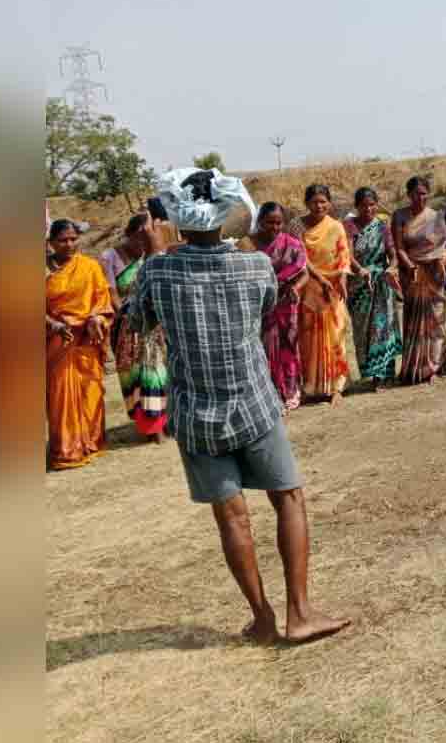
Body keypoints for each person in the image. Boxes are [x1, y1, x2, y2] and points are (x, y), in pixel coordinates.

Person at [132, 167, 349, 645]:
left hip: (196, 414)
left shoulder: (158, 270)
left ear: (176, 218)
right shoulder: (255, 266)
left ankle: (263, 619)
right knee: (288, 498)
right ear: (225, 214)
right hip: (254, 403)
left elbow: (138, 322)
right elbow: (266, 308)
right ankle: (300, 613)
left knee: (232, 517)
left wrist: (154, 253)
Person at [46, 218, 114, 470]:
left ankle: (93, 442)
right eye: (62, 240)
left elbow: (102, 301)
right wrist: (54, 325)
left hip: (87, 340)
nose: (69, 244)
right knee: (60, 396)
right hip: (57, 341)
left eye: (73, 239)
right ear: (51, 243)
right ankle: (67, 450)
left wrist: (96, 317)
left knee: (91, 390)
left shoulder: (90, 267)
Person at [102, 214, 170, 442]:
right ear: (128, 234)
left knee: (156, 373)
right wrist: (132, 314)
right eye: (139, 236)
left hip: (154, 326)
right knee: (134, 375)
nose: (142, 241)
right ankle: (150, 425)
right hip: (127, 326)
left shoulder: (151, 256)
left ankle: (160, 424)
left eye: (147, 237)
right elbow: (111, 293)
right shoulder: (110, 257)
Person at [242, 202, 309, 411]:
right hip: (260, 306)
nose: (275, 227)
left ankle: (290, 392)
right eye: (270, 222)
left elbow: (304, 273)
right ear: (260, 222)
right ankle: (270, 394)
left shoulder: (292, 244)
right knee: (265, 349)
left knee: (288, 348)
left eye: (279, 222)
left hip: (286, 304)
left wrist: (295, 287)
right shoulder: (249, 245)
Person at [291, 184, 351, 404]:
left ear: (329, 203)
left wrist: (342, 280)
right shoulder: (296, 226)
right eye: (314, 202)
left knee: (335, 336)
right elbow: (300, 257)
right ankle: (312, 387)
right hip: (308, 286)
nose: (319, 206)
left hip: (332, 289)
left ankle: (336, 387)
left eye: (323, 201)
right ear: (306, 203)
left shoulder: (336, 226)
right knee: (309, 339)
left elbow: (343, 257)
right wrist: (319, 279)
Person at [391, 176, 446, 383]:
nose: (420, 197)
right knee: (414, 323)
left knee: (436, 320)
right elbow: (399, 247)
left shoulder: (436, 216)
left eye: (424, 193)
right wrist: (410, 266)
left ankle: (434, 367)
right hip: (412, 274)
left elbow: (444, 247)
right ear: (409, 194)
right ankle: (416, 367)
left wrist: (443, 260)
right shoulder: (400, 216)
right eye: (416, 193)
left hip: (434, 274)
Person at [344, 187, 402, 388]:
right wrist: (361, 270)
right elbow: (348, 255)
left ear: (377, 205)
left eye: (372, 205)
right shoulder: (349, 226)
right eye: (363, 205)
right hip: (359, 286)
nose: (368, 209)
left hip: (381, 283)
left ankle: (384, 375)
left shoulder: (382, 226)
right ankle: (371, 372)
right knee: (362, 330)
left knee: (383, 327)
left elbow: (392, 253)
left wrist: (392, 268)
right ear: (356, 206)